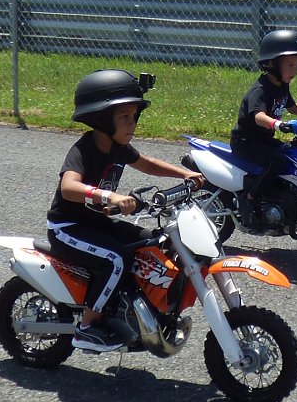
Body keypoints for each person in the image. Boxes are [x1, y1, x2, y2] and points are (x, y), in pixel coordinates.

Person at [47, 69, 204, 353]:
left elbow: (146, 163)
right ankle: (87, 327)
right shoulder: (84, 150)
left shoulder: (119, 147)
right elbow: (69, 187)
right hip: (68, 228)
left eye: (134, 117)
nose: (132, 124)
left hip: (96, 223)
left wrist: (184, 174)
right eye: (124, 118)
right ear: (102, 119)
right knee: (116, 259)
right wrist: (111, 196)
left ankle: (141, 313)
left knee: (153, 242)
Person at [229, 29, 297, 230]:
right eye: (290, 65)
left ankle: (281, 198)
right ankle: (251, 198)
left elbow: (292, 107)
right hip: (246, 142)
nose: (295, 70)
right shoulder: (261, 89)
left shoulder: (281, 85)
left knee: (295, 154)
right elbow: (258, 116)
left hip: (264, 140)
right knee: (276, 161)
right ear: (272, 63)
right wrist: (278, 124)